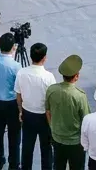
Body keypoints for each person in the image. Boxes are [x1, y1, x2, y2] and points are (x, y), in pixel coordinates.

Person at [46, 54, 90, 170]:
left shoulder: (52, 90)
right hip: (75, 143)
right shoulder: (80, 96)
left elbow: (48, 111)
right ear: (76, 76)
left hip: (57, 138)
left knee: (58, 166)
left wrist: (53, 128)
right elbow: (86, 120)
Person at [17, 42, 57, 170]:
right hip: (44, 117)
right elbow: (52, 100)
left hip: (27, 114)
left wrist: (20, 111)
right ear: (44, 58)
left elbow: (18, 94)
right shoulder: (49, 77)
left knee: (27, 147)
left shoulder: (21, 73)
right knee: (46, 149)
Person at [0, 31, 24, 170]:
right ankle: (14, 164)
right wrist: (20, 109)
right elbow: (19, 90)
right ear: (13, 47)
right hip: (11, 103)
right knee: (14, 136)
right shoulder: (16, 66)